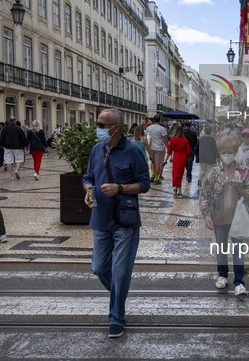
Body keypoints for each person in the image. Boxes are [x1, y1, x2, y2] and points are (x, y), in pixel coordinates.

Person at [82, 109, 150, 338]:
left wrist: (120, 188)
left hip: (125, 221)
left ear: (115, 128)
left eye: (102, 124)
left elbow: (145, 184)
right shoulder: (96, 149)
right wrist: (88, 189)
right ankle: (119, 296)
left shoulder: (133, 151)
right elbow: (87, 176)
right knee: (99, 268)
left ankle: (116, 317)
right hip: (100, 219)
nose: (98, 127)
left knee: (120, 273)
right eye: (98, 123)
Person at [199, 135, 249, 296]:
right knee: (221, 248)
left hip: (237, 218)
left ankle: (239, 282)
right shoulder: (214, 172)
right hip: (218, 217)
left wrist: (240, 188)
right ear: (219, 152)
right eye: (223, 151)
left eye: (230, 151)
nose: (227, 154)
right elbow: (205, 194)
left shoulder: (243, 171)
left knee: (238, 250)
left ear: (236, 152)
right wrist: (206, 214)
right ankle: (222, 275)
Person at [166, 126, 190, 198]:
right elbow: (188, 151)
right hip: (183, 158)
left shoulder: (173, 140)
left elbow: (169, 151)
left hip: (177, 157)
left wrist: (166, 159)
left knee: (176, 174)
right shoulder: (185, 140)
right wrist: (186, 157)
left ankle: (179, 191)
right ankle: (176, 188)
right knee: (180, 173)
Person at [144, 114, 168, 185]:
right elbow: (164, 139)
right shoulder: (162, 128)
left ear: (153, 120)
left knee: (152, 162)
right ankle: (156, 179)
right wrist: (167, 147)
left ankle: (153, 174)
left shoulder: (149, 128)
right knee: (158, 163)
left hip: (151, 147)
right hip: (159, 148)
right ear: (160, 120)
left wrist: (147, 146)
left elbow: (146, 137)